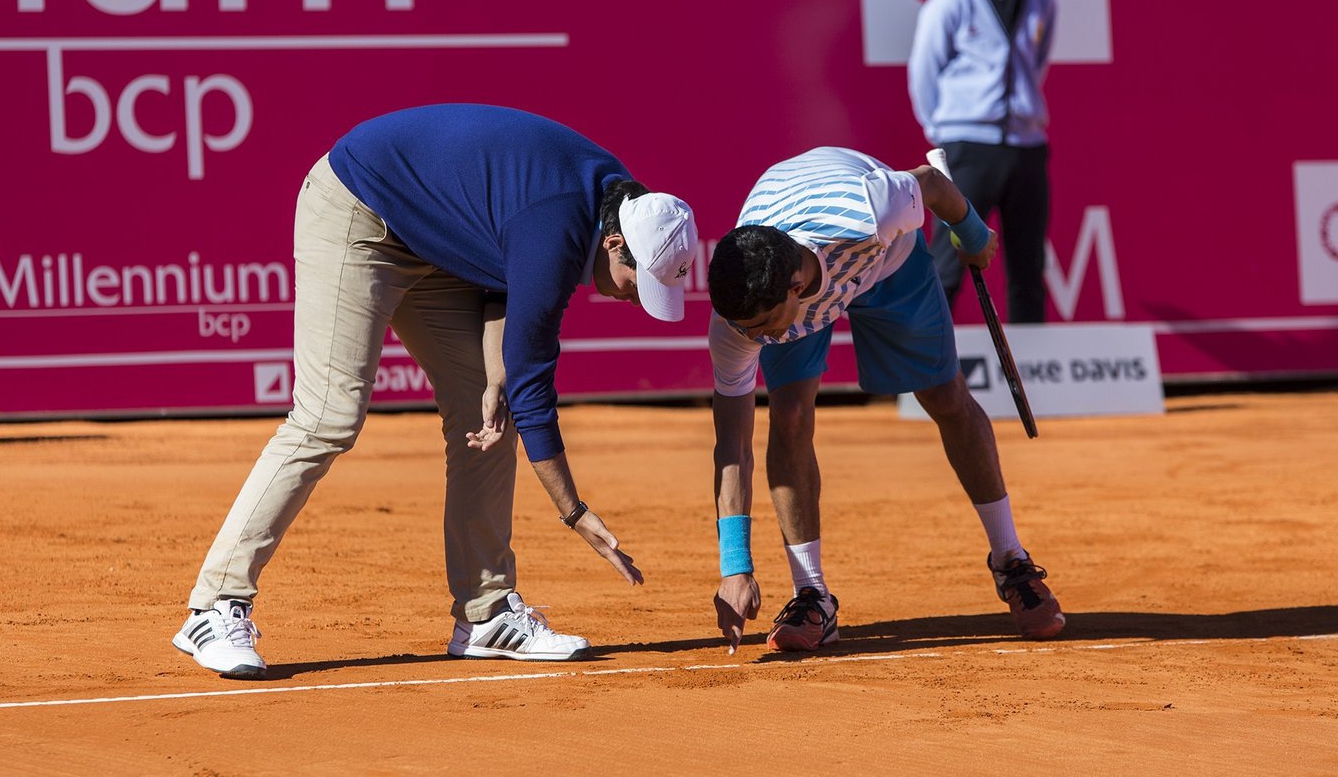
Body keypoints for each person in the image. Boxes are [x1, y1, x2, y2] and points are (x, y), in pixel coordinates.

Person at [173, 103, 699, 679]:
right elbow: (533, 380)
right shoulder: (560, 224)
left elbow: (503, 267)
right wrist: (573, 512)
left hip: (434, 237)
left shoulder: (616, 204)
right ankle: (216, 605)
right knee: (328, 415)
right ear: (614, 241)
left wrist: (495, 368)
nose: (630, 296)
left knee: (486, 411)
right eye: (634, 281)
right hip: (360, 205)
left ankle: (486, 612)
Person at [705, 145, 1063, 655]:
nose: (752, 338)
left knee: (946, 397)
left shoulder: (870, 209)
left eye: (761, 327)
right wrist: (734, 565)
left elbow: (935, 186)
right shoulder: (739, 324)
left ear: (796, 284)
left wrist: (974, 235)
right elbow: (732, 446)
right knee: (788, 417)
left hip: (886, 265)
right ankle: (812, 594)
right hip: (801, 252)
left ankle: (1010, 560)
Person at [908, 0, 1057, 323]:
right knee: (947, 267)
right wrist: (948, 133)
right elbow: (924, 73)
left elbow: (1037, 63)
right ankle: (931, 385)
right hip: (968, 149)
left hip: (1027, 149)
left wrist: (1023, 115)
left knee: (1029, 270)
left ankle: (1031, 384)